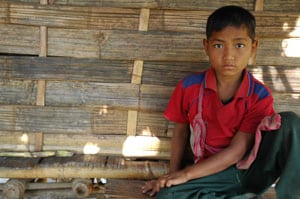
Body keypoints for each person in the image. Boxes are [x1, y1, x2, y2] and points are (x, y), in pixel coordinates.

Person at [142, 5, 300, 199]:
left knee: (290, 122)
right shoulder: (189, 87)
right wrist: (172, 175)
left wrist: (185, 174)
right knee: (166, 196)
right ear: (206, 46)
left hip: (249, 172)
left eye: (239, 45)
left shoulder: (259, 95)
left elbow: (237, 151)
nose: (229, 55)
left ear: (254, 46)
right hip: (209, 173)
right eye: (218, 45)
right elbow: (181, 132)